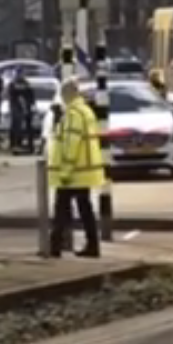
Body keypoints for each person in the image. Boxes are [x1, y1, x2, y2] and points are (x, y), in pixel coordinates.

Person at [48, 77, 105, 258]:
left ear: (67, 95)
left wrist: (65, 170)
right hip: (84, 172)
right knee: (84, 209)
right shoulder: (86, 111)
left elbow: (70, 145)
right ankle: (92, 245)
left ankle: (55, 247)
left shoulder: (73, 114)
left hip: (73, 173)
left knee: (62, 209)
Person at [8, 69, 35, 153]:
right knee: (16, 125)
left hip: (26, 107)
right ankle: (15, 144)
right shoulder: (12, 84)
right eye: (19, 73)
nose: (20, 75)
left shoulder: (27, 83)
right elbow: (12, 96)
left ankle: (30, 145)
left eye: (21, 73)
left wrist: (30, 105)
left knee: (29, 126)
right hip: (16, 107)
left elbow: (31, 96)